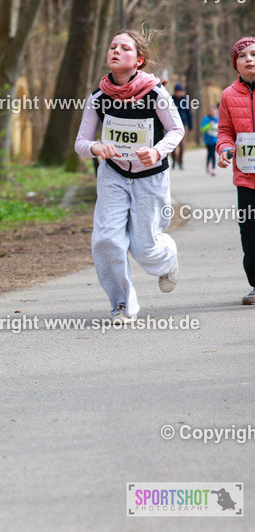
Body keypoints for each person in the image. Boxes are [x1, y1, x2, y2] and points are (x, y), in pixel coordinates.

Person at [74, 30, 184, 323]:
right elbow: (81, 143)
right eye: (112, 46)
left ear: (139, 61)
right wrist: (97, 147)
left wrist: (158, 152)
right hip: (113, 175)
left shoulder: (155, 92)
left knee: (144, 246)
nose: (116, 51)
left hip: (151, 177)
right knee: (106, 240)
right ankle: (122, 304)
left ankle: (167, 258)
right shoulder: (98, 97)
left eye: (124, 48)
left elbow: (176, 130)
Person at [216, 37, 255, 306]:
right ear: (236, 64)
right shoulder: (228, 95)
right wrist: (224, 149)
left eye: (254, 54)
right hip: (246, 177)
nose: (249, 59)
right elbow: (225, 132)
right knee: (250, 232)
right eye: (242, 56)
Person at [171, 83, 193, 170]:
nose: (178, 93)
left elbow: (189, 113)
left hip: (183, 124)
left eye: (180, 91)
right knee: (172, 145)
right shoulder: (171, 99)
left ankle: (180, 162)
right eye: (177, 91)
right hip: (172, 125)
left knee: (182, 145)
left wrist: (190, 126)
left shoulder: (185, 100)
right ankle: (174, 160)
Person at [202, 103, 219, 175]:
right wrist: (209, 125)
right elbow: (202, 128)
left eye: (213, 110)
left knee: (213, 154)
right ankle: (208, 165)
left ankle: (213, 168)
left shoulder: (218, 118)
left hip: (215, 140)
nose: (212, 112)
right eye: (211, 111)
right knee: (209, 154)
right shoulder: (206, 119)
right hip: (208, 140)